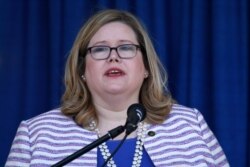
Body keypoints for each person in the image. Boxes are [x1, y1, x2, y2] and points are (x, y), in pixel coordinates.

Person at [5, 9, 229, 167]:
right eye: (100, 50)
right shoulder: (36, 134)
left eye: (126, 47)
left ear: (146, 67)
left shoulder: (190, 125)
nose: (114, 57)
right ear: (82, 69)